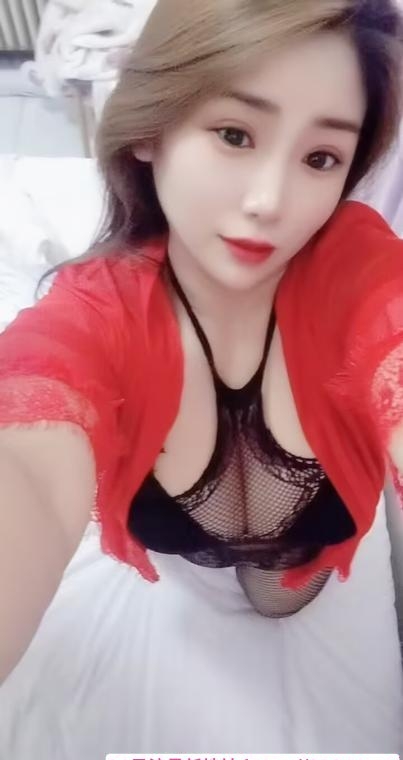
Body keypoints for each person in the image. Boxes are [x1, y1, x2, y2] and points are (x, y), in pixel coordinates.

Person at [0, 0, 403, 754]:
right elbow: (29, 455)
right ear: (151, 129)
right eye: (234, 134)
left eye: (320, 158)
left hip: (303, 562)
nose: (270, 202)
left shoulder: (356, 270)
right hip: (184, 551)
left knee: (281, 600)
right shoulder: (94, 312)